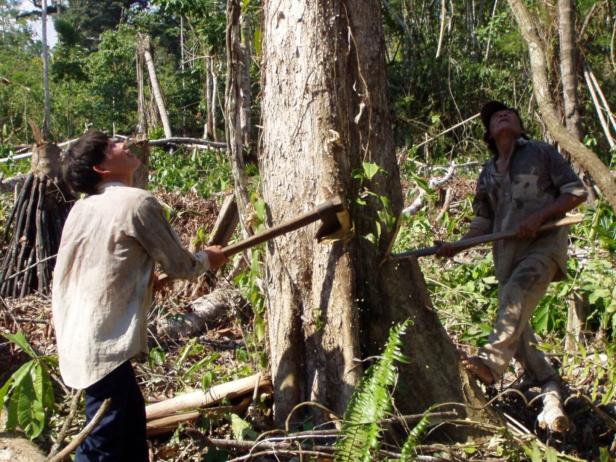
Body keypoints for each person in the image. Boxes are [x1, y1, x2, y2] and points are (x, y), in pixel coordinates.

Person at [52, 130, 227, 461]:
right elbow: (179, 264)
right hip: (105, 343)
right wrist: (208, 259)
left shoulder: (81, 210)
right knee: (104, 439)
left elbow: (100, 266)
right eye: (112, 147)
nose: (124, 144)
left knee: (129, 426)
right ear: (101, 169)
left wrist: (146, 280)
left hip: (78, 334)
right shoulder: (138, 202)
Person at [436, 101, 587, 386]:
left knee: (515, 296)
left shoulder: (540, 153)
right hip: (506, 257)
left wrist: (539, 217)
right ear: (489, 135)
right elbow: (483, 222)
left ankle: (491, 365)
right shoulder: (487, 173)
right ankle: (546, 379)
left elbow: (576, 193)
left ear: (520, 127)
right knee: (516, 324)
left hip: (544, 247)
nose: (503, 115)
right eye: (495, 118)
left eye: (509, 113)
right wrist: (455, 246)